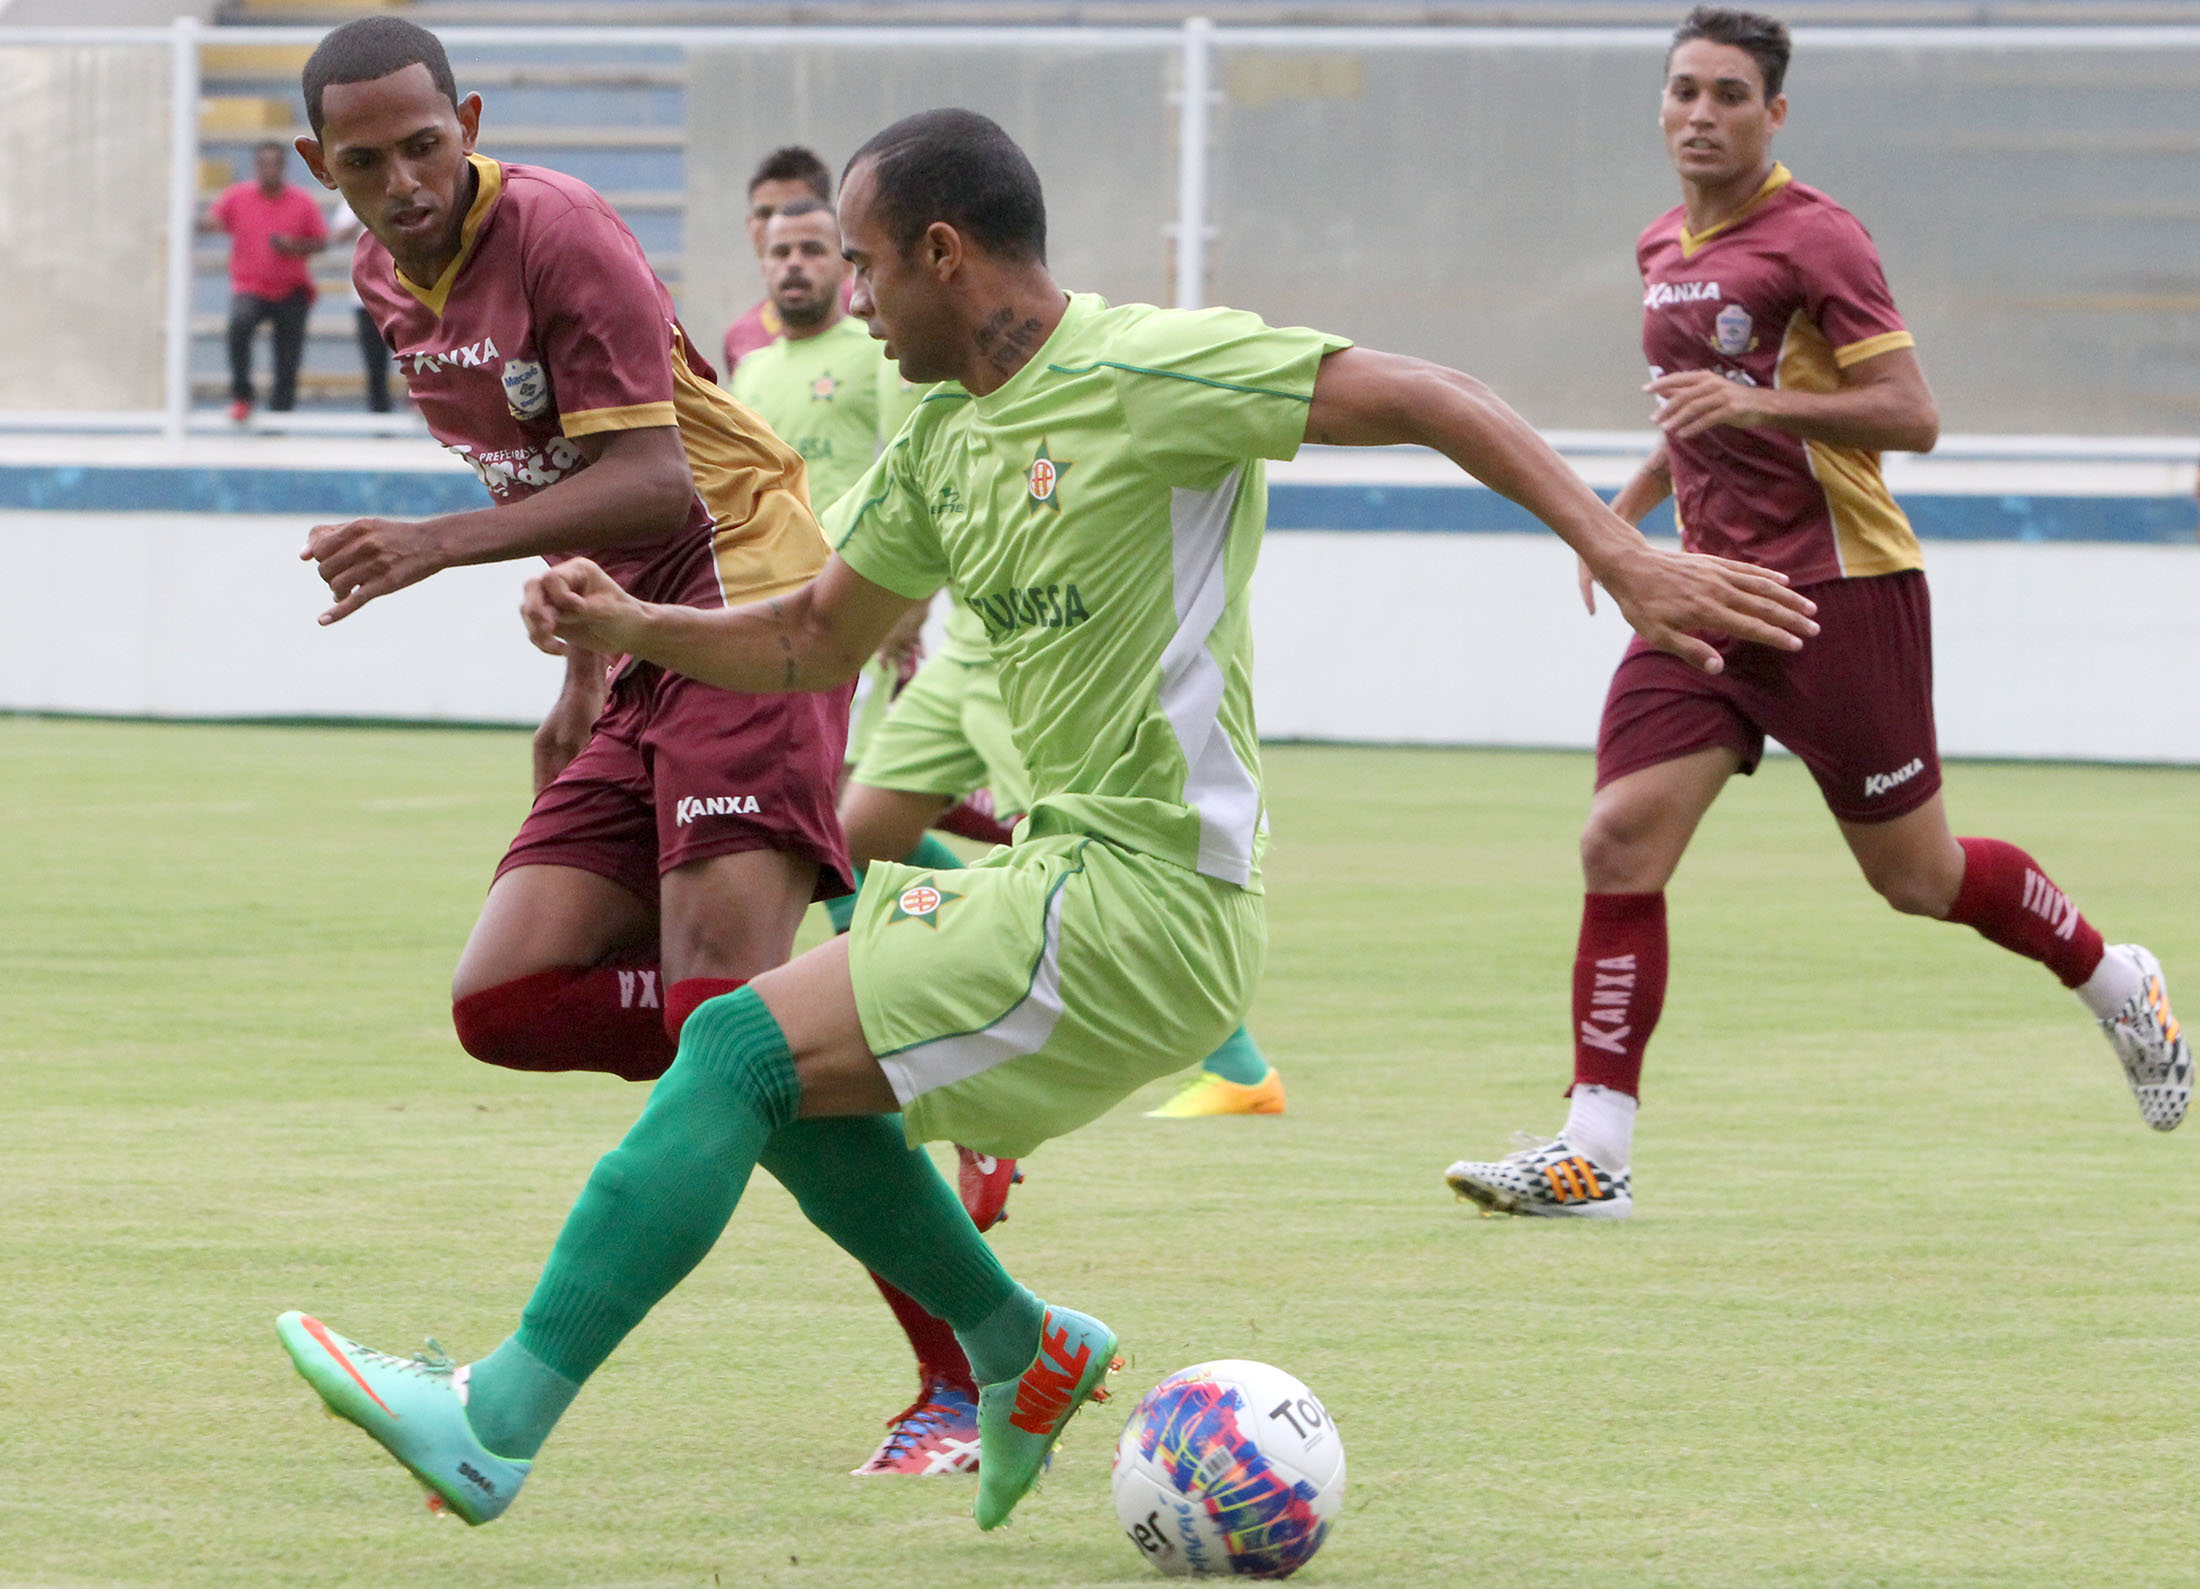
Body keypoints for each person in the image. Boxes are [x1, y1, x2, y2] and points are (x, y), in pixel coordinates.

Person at [276, 106, 1815, 1534]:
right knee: (768, 1070)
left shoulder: (1155, 368)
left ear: (944, 253)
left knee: (729, 1048)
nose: (859, 302)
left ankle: (496, 1417)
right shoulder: (944, 442)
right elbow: (812, 636)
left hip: (1152, 901)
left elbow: (1425, 392)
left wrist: (1624, 553)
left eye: (869, 265)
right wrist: (633, 622)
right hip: (1065, 884)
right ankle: (1018, 1347)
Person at [1442, 5, 2191, 1222]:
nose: (1699, 113)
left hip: (1834, 588)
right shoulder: (1657, 243)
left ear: (1772, 113)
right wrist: (1630, 511)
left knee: (1917, 874)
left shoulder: (1817, 239)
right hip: (1699, 590)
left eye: (1727, 95)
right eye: (1682, 90)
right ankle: (1596, 1148)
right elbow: (1696, 407)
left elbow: (1910, 412)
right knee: (1616, 839)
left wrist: (1757, 413)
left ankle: (2115, 977)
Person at [729, 194, 1015, 1476]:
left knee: (737, 1033)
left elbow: (943, 456)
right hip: (784, 651)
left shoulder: (888, 356)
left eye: (837, 251)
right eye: (790, 247)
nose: (820, 274)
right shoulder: (748, 362)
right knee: (860, 836)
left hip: (905, 628)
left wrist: (905, 602)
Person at [200, 140, 328, 421]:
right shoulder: (237, 197)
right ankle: (242, 396)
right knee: (239, 326)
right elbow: (211, 221)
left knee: (287, 357)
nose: (269, 169)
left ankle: (281, 414)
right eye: (264, 163)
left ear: (283, 167)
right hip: (251, 287)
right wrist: (198, 221)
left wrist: (294, 245)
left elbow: (321, 242)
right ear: (256, 166)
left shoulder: (302, 201)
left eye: (275, 164)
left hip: (292, 289)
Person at [722, 146, 843, 379]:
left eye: (794, 210)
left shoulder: (872, 317)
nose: (779, 225)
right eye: (765, 214)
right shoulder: (739, 337)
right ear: (750, 225)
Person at [325, 201, 394, 412]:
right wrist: (364, 210)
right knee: (375, 362)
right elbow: (338, 236)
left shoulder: (405, 193)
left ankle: (420, 407)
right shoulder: (355, 196)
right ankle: (379, 414)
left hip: (406, 290)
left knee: (416, 355)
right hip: (366, 293)